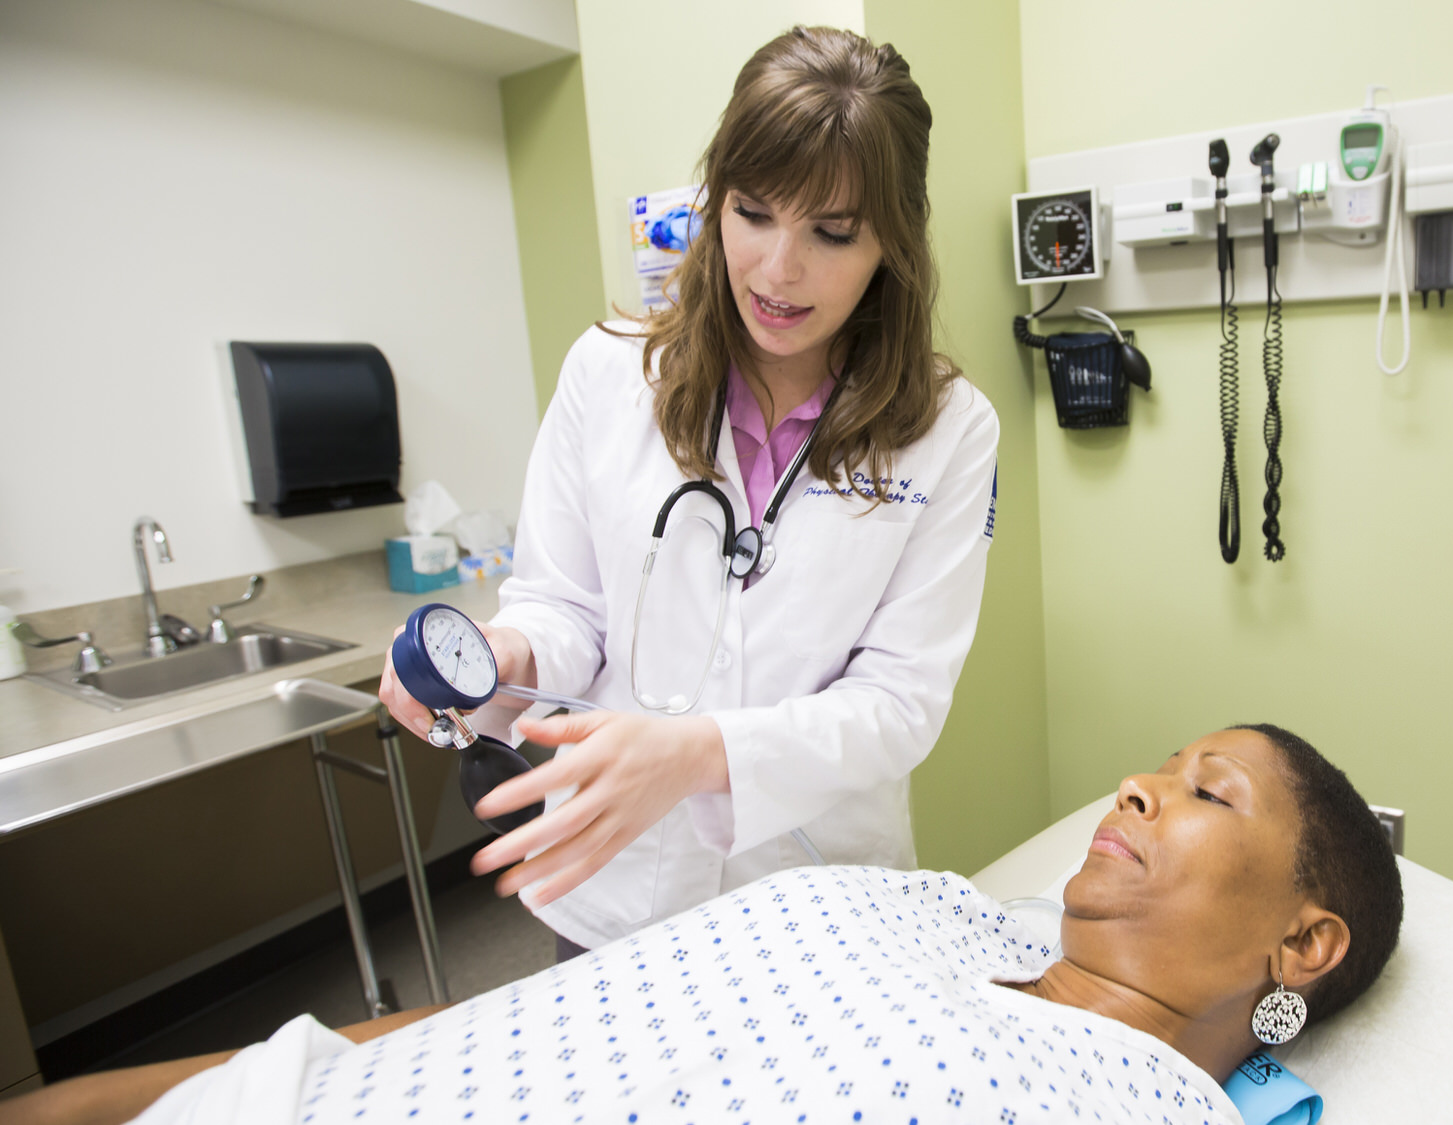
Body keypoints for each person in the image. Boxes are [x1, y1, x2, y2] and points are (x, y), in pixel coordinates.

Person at [376, 26, 1001, 956]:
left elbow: (898, 702)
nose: (778, 270)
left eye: (832, 233)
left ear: (892, 245)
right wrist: (505, 654)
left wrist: (701, 755)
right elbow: (564, 609)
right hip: (610, 888)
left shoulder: (949, 428)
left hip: (821, 903)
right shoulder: (608, 372)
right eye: (753, 213)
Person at [9, 725, 1404, 1125]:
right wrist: (111, 1091)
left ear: (1305, 943)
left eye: (1205, 789)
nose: (1139, 784)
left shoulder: (1131, 1109)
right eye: (1159, 765)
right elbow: (532, 1016)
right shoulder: (930, 910)